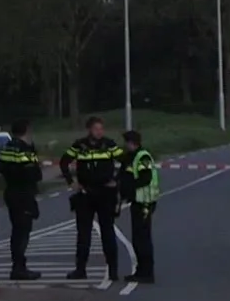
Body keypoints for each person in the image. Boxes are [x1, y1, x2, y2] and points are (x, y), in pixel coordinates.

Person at [58, 116, 123, 282]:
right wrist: (71, 182)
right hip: (86, 194)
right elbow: (64, 161)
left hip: (105, 194)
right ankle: (80, 269)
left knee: (107, 232)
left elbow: (126, 161)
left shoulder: (109, 145)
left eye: (101, 129)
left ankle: (113, 270)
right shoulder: (80, 145)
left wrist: (116, 179)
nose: (99, 132)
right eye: (96, 129)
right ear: (89, 130)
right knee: (83, 234)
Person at [0, 118, 45, 280]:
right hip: (24, 193)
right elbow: (35, 174)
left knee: (17, 230)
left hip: (11, 192)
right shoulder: (25, 150)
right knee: (23, 232)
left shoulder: (5, 148)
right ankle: (19, 268)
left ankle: (18, 265)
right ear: (27, 131)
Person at [119, 130, 160, 284]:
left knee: (143, 238)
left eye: (127, 142)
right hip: (137, 201)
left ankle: (147, 272)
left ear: (132, 143)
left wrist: (129, 188)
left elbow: (145, 178)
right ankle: (141, 270)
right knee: (138, 238)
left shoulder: (143, 156)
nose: (125, 145)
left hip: (145, 202)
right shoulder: (132, 157)